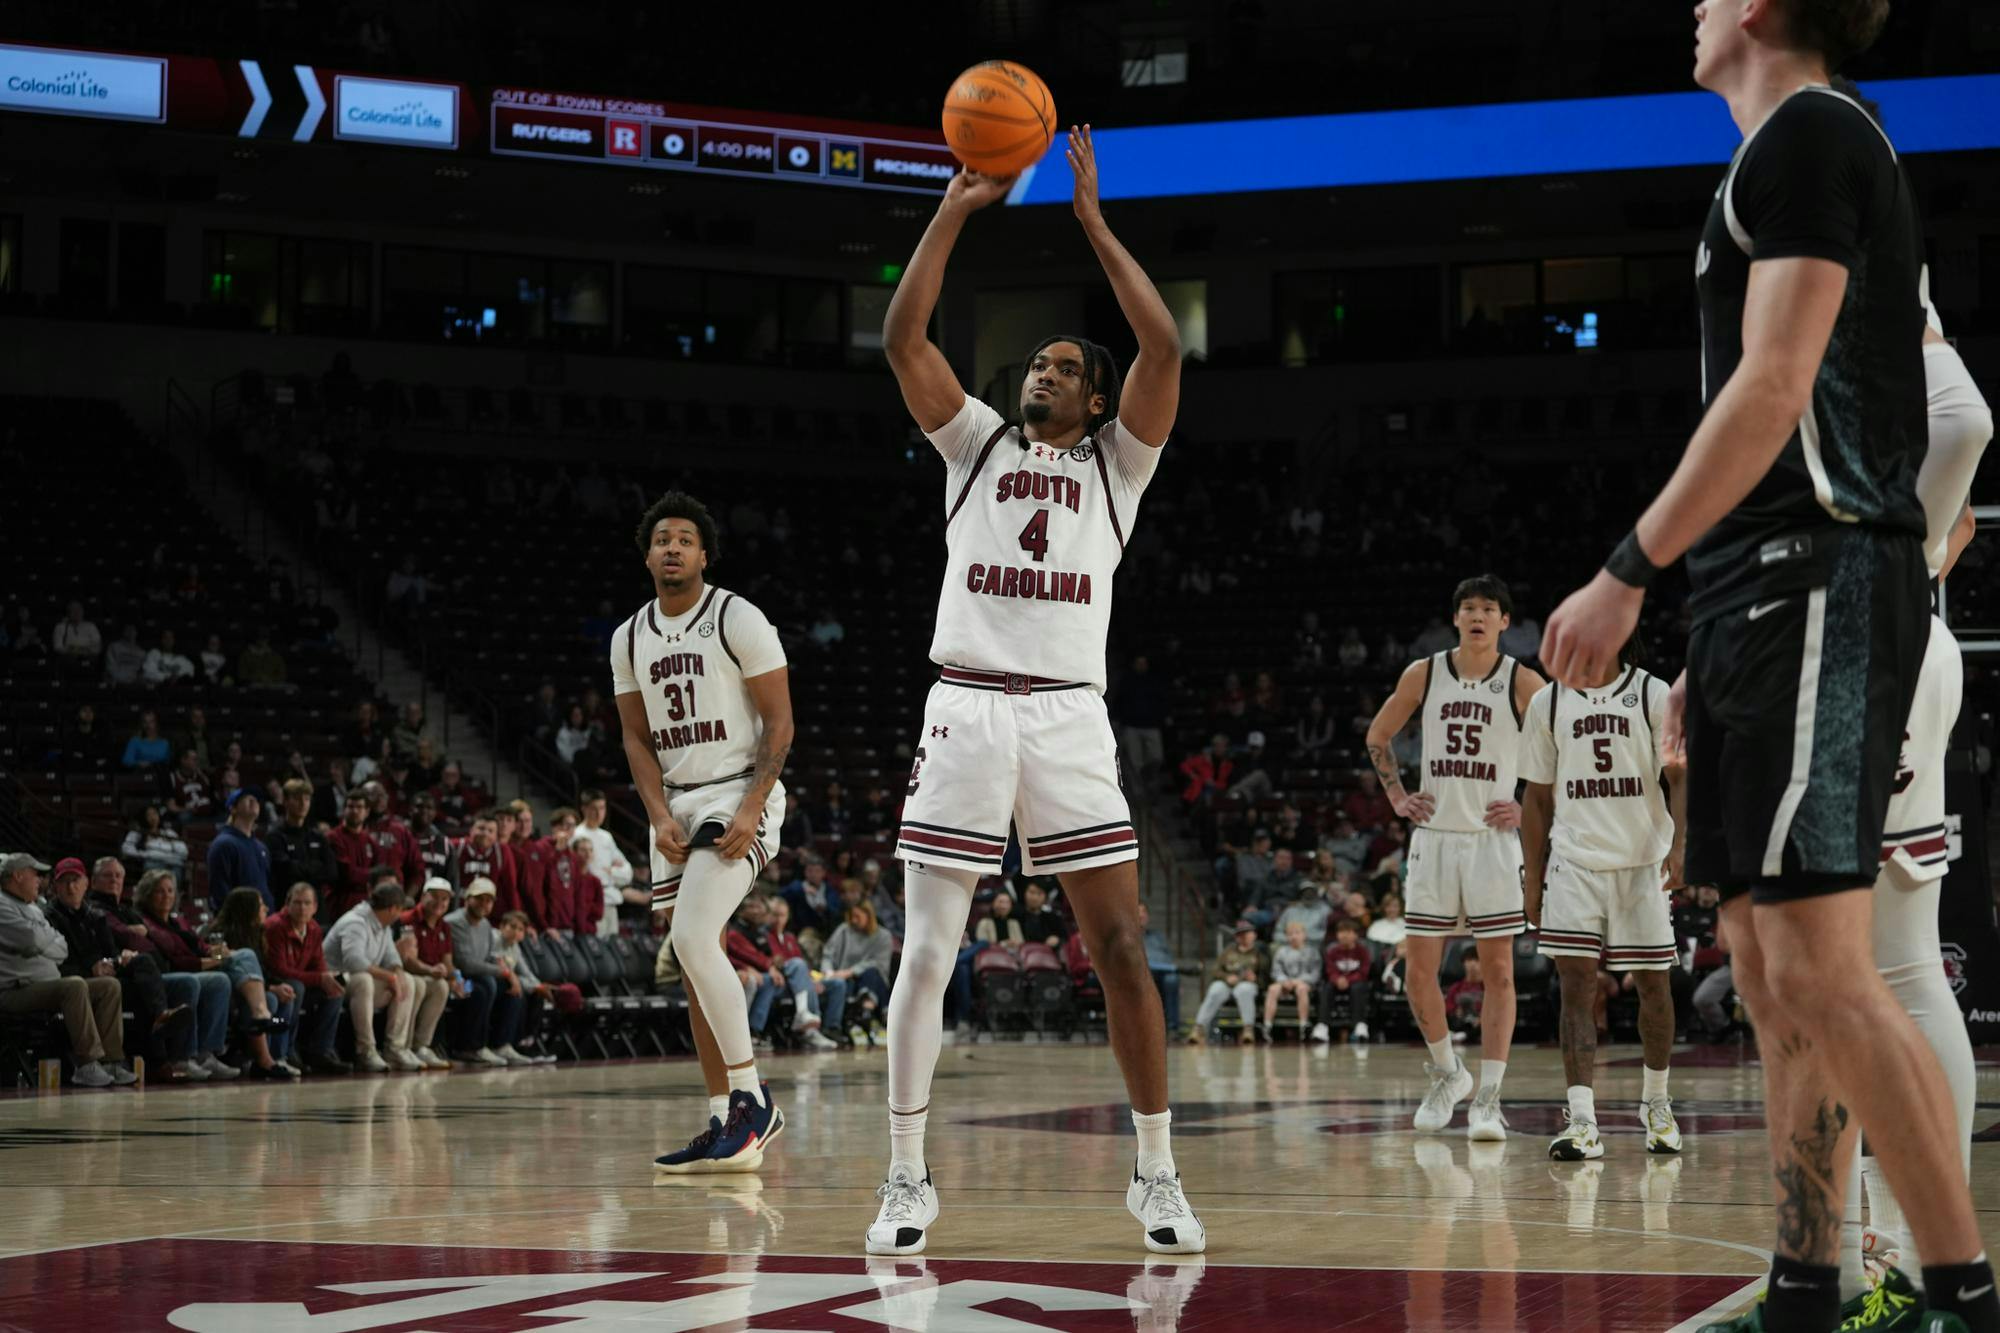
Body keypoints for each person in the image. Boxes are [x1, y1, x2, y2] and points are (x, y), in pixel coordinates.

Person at [1536, 6, 1998, 1329]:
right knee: (1765, 954)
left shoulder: (1812, 131)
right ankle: (1809, 1278)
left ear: (1757, 9)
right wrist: (1709, 626)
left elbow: (1777, 380)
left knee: (1836, 967)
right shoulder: (1780, 150)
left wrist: (1627, 569)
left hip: (1819, 572)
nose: (1684, 6)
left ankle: (1957, 1294)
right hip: (1763, 589)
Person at [876, 127, 1201, 1256]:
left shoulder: (1119, 467)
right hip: (964, 704)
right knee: (926, 951)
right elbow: (901, 334)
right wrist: (957, 208)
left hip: (1066, 713)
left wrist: (1094, 226)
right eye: (1035, 364)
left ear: (1096, 397)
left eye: (1062, 366)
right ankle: (906, 1174)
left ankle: (1154, 1173)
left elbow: (1163, 346)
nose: (1038, 373)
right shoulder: (970, 444)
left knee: (1120, 945)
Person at [613, 490, 794, 1177]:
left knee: (689, 936)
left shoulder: (736, 616)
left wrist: (753, 805)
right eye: (663, 538)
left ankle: (754, 1098)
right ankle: (724, 1118)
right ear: (648, 552)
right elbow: (634, 735)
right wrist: (657, 812)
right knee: (693, 964)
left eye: (686, 538)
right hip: (678, 803)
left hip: (738, 789)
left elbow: (781, 722)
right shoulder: (628, 635)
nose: (673, 547)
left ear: (704, 554)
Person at [1364, 574, 1543, 1140]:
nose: (1478, 617)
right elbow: (1378, 736)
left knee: (1498, 972)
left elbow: (1564, 742)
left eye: (1489, 609)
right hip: (1436, 838)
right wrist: (1396, 795)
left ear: (1505, 622)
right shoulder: (1426, 672)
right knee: (1418, 973)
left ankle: (1489, 1095)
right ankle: (1449, 1074)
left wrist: (1526, 805)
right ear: (1457, 619)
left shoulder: (1523, 681)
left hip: (1491, 842)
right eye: (1469, 608)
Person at [1519, 647, 1686, 1161]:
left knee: (1654, 985)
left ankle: (1656, 1104)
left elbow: (1679, 776)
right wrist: (1531, 879)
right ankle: (1582, 1120)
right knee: (1576, 989)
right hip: (1575, 862)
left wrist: (1681, 845)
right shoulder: (1547, 703)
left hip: (1642, 861)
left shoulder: (1652, 692)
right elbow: (1536, 798)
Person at [0, 854, 138, 1087]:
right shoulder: (2, 904)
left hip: (44, 986)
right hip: (14, 992)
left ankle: (112, 1061)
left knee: (109, 986)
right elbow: (31, 938)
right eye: (36, 875)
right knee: (74, 985)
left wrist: (41, 942)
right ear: (18, 875)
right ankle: (86, 1065)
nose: (40, 881)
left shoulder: (32, 908)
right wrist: (43, 940)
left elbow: (60, 947)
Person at [43, 857, 184, 1067]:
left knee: (141, 963)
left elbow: (110, 952)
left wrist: (121, 958)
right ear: (55, 886)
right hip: (74, 979)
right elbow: (55, 961)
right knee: (133, 991)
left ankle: (161, 1020)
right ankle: (157, 1059)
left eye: (75, 880)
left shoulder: (95, 916)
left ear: (85, 884)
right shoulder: (49, 917)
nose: (71, 887)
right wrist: (92, 967)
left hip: (104, 974)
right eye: (65, 882)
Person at [129, 869, 239, 1080]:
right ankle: (182, 1057)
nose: (167, 895)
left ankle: (207, 1054)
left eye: (170, 890)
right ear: (147, 894)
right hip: (167, 974)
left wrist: (220, 952)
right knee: (194, 981)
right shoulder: (147, 924)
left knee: (222, 979)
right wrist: (217, 960)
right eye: (160, 891)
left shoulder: (177, 921)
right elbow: (177, 960)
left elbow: (201, 946)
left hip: (191, 968)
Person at [323, 877, 423, 1073]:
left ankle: (395, 1048)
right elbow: (354, 962)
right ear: (392, 908)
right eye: (401, 909)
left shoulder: (383, 925)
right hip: (335, 981)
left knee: (409, 981)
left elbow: (391, 957)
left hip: (357, 986)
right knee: (364, 980)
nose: (401, 913)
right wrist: (390, 977)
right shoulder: (356, 922)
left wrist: (397, 972)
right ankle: (365, 1050)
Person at [204, 887, 301, 1079]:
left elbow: (262, 971)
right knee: (270, 1000)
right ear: (247, 909)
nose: (265, 909)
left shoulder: (256, 934)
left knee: (285, 994)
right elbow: (215, 965)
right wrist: (270, 987)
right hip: (228, 987)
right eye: (260, 905)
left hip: (252, 989)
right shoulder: (216, 934)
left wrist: (276, 985)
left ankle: (277, 1056)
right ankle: (263, 1059)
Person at [262, 883, 349, 1074]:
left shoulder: (314, 929)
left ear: (315, 907)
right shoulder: (275, 927)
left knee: (334, 991)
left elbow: (318, 963)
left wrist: (327, 979)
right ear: (287, 904)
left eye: (307, 903)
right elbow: (280, 970)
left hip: (301, 982)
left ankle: (321, 1051)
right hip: (275, 983)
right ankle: (288, 1050)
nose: (302, 908)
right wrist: (320, 979)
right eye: (297, 903)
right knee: (296, 988)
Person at [445, 878, 532, 1066]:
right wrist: (504, 973)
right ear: (467, 898)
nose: (484, 904)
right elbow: (465, 963)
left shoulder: (485, 925)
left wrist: (510, 974)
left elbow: (490, 957)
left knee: (513, 991)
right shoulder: (456, 922)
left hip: (477, 977)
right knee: (482, 989)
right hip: (456, 979)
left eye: (489, 900)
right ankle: (470, 1047)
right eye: (479, 899)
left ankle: (501, 1044)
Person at [394, 877, 460, 1069]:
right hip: (409, 973)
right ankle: (402, 1046)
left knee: (447, 987)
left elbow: (448, 963)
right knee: (422, 984)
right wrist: (431, 970)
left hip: (431, 976)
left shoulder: (444, 926)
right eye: (435, 897)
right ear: (423, 896)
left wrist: (460, 981)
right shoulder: (407, 919)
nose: (440, 903)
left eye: (445, 899)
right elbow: (407, 960)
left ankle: (422, 1046)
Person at [821, 899, 894, 1039]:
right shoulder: (843, 930)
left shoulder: (884, 936)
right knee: (844, 983)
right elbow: (827, 954)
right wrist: (828, 972)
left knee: (871, 973)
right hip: (841, 978)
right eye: (851, 916)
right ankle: (868, 1018)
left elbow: (880, 964)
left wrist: (850, 972)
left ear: (869, 915)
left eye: (858, 916)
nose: (854, 920)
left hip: (872, 980)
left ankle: (866, 1013)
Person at [1187, 921, 1262, 1046]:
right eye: (1241, 934)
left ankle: (1248, 1029)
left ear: (1254, 935)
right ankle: (1199, 1028)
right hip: (1227, 982)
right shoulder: (1229, 950)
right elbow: (1216, 970)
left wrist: (1255, 979)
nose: (1243, 936)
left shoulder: (1260, 952)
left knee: (1245, 990)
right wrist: (1226, 977)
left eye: (1247, 933)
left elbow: (1266, 974)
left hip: (1247, 983)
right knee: (1215, 990)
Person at [574, 788, 634, 938]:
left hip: (611, 899)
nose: (598, 813)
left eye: (602, 808)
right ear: (584, 809)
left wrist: (612, 872)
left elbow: (627, 871)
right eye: (593, 808)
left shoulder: (606, 837)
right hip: (590, 901)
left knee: (613, 948)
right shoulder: (576, 835)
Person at [205, 790, 274, 910]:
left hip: (263, 918)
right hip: (240, 921)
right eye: (247, 798)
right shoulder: (223, 844)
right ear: (233, 809)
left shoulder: (261, 847)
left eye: (256, 800)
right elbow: (219, 890)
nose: (254, 801)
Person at [326, 789, 381, 920]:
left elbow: (380, 873)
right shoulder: (333, 837)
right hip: (340, 905)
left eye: (359, 807)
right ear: (344, 810)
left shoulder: (370, 841)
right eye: (350, 806)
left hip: (367, 906)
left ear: (367, 812)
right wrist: (371, 875)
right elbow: (347, 874)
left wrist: (372, 875)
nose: (355, 811)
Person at [1261, 918, 1319, 1041]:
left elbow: (1315, 973)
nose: (1294, 937)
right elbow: (1276, 971)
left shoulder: (1312, 952)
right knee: (1272, 989)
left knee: (1301, 989)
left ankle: (1303, 1025)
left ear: (1304, 935)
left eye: (1297, 933)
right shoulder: (1282, 951)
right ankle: (1267, 1025)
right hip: (1285, 982)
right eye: (1290, 934)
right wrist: (1284, 981)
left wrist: (1298, 981)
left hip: (1304, 983)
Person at [1318, 916, 1374, 1044]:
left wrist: (1348, 980)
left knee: (1358, 988)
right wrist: (1337, 979)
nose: (1344, 935)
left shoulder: (1362, 951)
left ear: (1355, 935)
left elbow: (1364, 971)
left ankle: (1359, 1024)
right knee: (1327, 987)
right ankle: (1322, 1025)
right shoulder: (1332, 951)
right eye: (1341, 932)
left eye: (1348, 932)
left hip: (1356, 982)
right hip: (1337, 982)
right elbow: (1330, 970)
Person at [121, 805, 189, 873]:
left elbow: (183, 851)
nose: (153, 817)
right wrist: (143, 855)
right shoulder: (137, 833)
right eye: (149, 815)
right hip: (152, 862)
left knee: (177, 867)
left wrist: (171, 857)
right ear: (143, 818)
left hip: (171, 863)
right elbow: (126, 849)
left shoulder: (168, 833)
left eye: (154, 813)